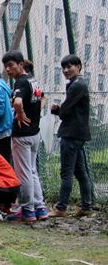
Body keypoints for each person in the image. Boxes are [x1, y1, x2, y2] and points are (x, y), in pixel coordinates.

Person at [3, 50, 48, 222]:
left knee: (24, 173)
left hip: (22, 135)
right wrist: (35, 113)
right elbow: (43, 98)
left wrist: (20, 113)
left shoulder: (21, 82)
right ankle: (40, 207)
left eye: (11, 65)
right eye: (6, 66)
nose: (8, 69)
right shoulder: (33, 80)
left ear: (21, 65)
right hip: (35, 133)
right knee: (32, 171)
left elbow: (18, 102)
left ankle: (28, 209)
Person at [48, 55, 94, 218]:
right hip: (78, 134)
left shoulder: (77, 85)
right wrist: (61, 109)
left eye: (70, 66)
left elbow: (65, 110)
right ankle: (86, 207)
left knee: (66, 172)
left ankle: (61, 208)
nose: (66, 70)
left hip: (71, 133)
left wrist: (56, 110)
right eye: (64, 68)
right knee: (80, 172)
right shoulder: (77, 84)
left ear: (79, 67)